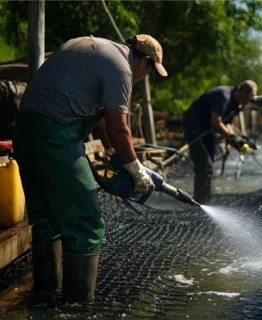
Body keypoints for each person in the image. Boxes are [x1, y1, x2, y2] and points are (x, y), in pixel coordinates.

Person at [14, 34, 167, 302]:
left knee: (47, 220)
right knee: (87, 225)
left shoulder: (98, 50)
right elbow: (119, 127)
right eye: (152, 71)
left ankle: (44, 296)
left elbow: (101, 121)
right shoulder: (121, 68)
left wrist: (111, 153)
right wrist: (136, 169)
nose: (146, 76)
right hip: (56, 138)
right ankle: (76, 309)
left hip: (26, 134)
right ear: (145, 62)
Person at [182, 80, 258, 203]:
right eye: (248, 97)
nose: (248, 101)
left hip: (207, 129)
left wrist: (241, 140)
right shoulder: (223, 96)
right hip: (194, 126)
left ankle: (204, 200)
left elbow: (227, 124)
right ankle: (200, 202)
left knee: (209, 165)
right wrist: (231, 138)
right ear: (240, 91)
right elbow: (216, 122)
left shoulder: (237, 104)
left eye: (252, 98)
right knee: (204, 165)